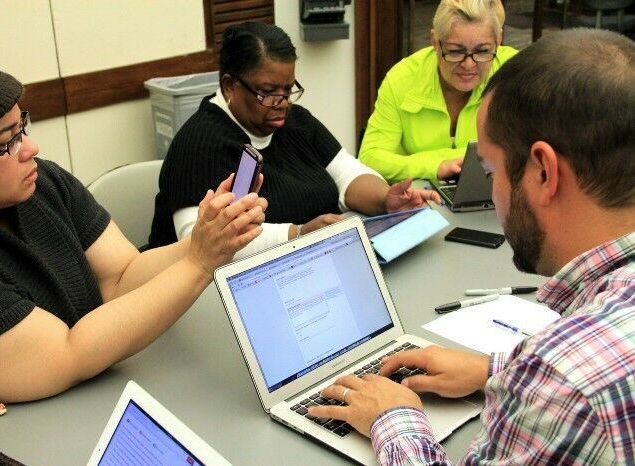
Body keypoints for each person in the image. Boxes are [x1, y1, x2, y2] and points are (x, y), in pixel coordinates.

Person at [310, 28, 635, 464]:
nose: (491, 192)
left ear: (543, 173)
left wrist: (395, 419)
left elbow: (569, 387)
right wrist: (497, 370)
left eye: (489, 170)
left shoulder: (566, 381)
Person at [0, 48, 267, 403]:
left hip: (104, 391)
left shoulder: (41, 183)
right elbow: (65, 353)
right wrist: (199, 263)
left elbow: (122, 276)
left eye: (23, 128)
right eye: (6, 143)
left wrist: (207, 237)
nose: (30, 148)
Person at [149, 21, 440, 257]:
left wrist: (384, 199)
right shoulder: (199, 144)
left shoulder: (296, 122)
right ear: (229, 86)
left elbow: (347, 173)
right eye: (268, 91)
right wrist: (297, 235)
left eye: (288, 89)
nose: (283, 102)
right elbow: (200, 245)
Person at [358, 0, 517, 183]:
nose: (469, 64)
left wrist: (448, 160)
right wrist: (436, 166)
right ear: (435, 42)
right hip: (416, 198)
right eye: (456, 51)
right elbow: (370, 157)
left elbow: (534, 147)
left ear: (498, 41)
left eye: (482, 51)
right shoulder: (402, 78)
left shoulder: (514, 72)